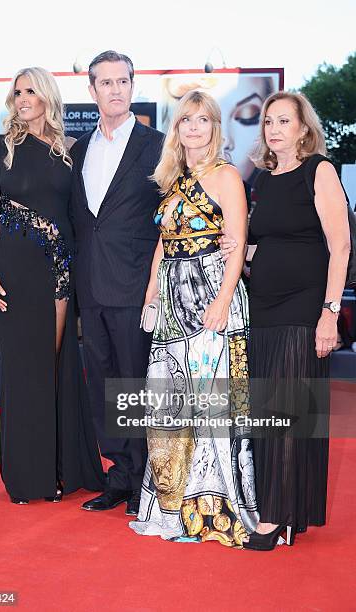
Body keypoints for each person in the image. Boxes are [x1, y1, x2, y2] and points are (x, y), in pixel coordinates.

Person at [221, 91, 350, 550]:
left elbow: (340, 246)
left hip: (304, 306)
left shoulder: (320, 171)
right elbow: (266, 242)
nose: (274, 129)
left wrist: (329, 314)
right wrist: (234, 248)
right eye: (269, 122)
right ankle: (285, 508)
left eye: (283, 121)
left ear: (302, 127)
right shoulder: (265, 179)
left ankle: (276, 516)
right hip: (264, 308)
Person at [129, 90, 258, 546]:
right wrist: (150, 295)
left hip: (211, 294)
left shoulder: (227, 177)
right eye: (186, 120)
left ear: (215, 127)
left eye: (203, 120)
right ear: (177, 130)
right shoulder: (172, 180)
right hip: (170, 302)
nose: (195, 128)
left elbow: (238, 241)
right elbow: (163, 244)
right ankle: (168, 506)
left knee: (210, 405)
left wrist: (222, 300)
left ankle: (212, 509)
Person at [0, 67, 104, 504]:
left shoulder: (69, 150)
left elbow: (76, 214)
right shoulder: (0, 147)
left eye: (30, 91)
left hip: (59, 270)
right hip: (11, 269)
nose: (22, 99)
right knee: (21, 371)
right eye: (17, 93)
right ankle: (25, 476)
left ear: (47, 96)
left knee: (52, 369)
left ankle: (56, 470)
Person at [69, 51, 164, 515]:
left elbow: (179, 210)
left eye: (122, 81)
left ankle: (147, 481)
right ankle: (121, 477)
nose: (114, 89)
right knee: (104, 386)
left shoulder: (158, 144)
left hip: (134, 285)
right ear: (92, 91)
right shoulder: (78, 150)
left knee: (135, 384)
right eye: (104, 83)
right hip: (91, 285)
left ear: (133, 85)